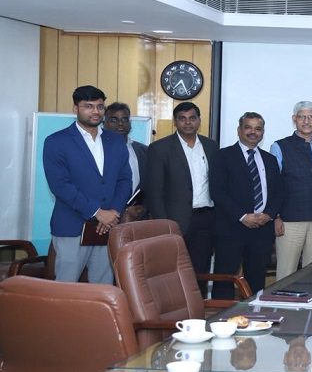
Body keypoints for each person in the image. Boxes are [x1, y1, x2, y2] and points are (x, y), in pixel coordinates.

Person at [43, 85, 131, 283]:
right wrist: (97, 212)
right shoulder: (56, 141)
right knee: (66, 289)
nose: (95, 111)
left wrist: (113, 212)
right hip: (72, 226)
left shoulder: (115, 141)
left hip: (107, 227)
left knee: (103, 288)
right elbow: (60, 186)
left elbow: (125, 180)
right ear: (76, 108)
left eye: (100, 106)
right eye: (88, 106)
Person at [145, 102, 219, 292]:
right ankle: (174, 308)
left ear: (199, 121)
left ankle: (198, 308)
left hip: (206, 218)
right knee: (172, 271)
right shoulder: (159, 148)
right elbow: (154, 191)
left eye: (192, 118)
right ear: (175, 122)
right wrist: (164, 224)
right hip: (174, 220)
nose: (188, 122)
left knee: (200, 271)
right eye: (182, 119)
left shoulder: (211, 146)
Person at [211, 112, 283, 297]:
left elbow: (278, 192)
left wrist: (269, 214)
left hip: (262, 229)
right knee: (225, 279)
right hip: (231, 228)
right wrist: (242, 216)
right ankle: (222, 314)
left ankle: (254, 313)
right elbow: (218, 192)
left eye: (258, 129)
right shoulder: (223, 156)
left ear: (263, 132)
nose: (253, 132)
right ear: (239, 130)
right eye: (248, 127)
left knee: (256, 281)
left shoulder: (270, 159)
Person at [270, 101, 312, 279]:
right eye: (302, 117)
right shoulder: (279, 146)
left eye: (311, 117)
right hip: (289, 220)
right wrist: (276, 216)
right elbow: (273, 184)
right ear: (294, 119)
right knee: (286, 274)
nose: (306, 121)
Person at [103, 102, 148, 222]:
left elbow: (151, 185)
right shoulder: (96, 150)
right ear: (103, 123)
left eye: (124, 119)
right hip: (104, 218)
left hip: (137, 218)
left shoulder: (144, 151)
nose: (120, 124)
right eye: (114, 120)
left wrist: (143, 207)